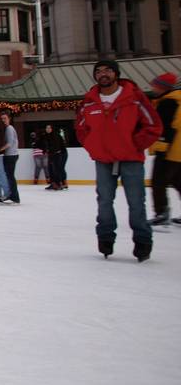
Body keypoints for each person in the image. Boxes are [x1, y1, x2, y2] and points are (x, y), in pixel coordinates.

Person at [76, 60, 161, 262]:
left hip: (131, 158)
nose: (103, 74)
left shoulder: (134, 97)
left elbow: (153, 125)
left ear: (116, 73)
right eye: (98, 71)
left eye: (107, 70)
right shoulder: (89, 101)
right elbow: (81, 128)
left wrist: (135, 144)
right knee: (104, 201)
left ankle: (142, 241)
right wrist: (92, 145)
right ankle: (105, 238)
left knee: (136, 202)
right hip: (103, 159)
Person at [147, 72, 181, 226]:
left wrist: (161, 146)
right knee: (178, 180)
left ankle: (161, 212)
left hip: (169, 149)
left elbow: (166, 127)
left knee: (158, 181)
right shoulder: (176, 100)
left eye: (154, 84)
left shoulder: (168, 102)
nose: (152, 87)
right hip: (177, 150)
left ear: (162, 86)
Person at [0, 110, 20, 204]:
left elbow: (10, 143)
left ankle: (15, 196)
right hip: (9, 155)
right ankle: (12, 195)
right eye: (2, 119)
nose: (3, 120)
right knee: (9, 176)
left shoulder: (9, 128)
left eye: (5, 118)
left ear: (9, 119)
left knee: (10, 176)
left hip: (11, 155)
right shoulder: (6, 128)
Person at [44, 124, 65, 190]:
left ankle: (58, 184)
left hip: (57, 155)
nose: (47, 129)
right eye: (46, 128)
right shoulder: (47, 136)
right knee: (50, 170)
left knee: (56, 170)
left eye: (49, 128)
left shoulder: (56, 136)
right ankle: (53, 184)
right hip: (51, 155)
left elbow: (59, 146)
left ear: (52, 129)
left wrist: (53, 151)